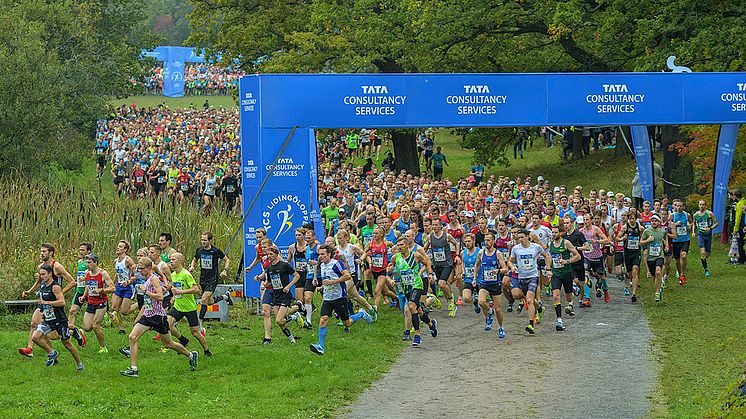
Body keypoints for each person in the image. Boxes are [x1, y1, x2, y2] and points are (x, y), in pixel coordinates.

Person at [121, 257, 197, 378]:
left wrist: (146, 292)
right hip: (148, 315)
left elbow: (160, 297)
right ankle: (134, 369)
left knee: (169, 344)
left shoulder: (154, 279)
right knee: (132, 337)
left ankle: (191, 355)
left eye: (142, 269)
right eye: (139, 268)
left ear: (149, 268)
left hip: (158, 317)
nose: (140, 271)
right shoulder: (147, 279)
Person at [309, 245, 373, 355]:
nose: (320, 256)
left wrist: (332, 282)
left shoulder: (336, 264)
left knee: (347, 323)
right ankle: (321, 346)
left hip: (339, 297)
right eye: (319, 254)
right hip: (327, 298)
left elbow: (347, 276)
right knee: (323, 319)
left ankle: (362, 314)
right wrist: (322, 287)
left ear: (329, 254)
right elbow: (327, 280)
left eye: (323, 254)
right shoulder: (322, 265)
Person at [19, 243, 76, 358]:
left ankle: (74, 331)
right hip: (44, 302)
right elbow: (39, 282)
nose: (42, 253)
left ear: (51, 253)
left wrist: (59, 294)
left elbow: (72, 282)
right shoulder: (41, 267)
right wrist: (29, 291)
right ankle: (30, 349)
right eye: (41, 251)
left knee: (53, 335)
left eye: (44, 251)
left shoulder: (57, 266)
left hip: (55, 304)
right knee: (33, 324)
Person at [31, 264, 84, 370]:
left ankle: (79, 364)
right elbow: (43, 302)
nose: (41, 277)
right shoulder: (43, 286)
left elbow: (62, 302)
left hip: (59, 320)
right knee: (35, 337)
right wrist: (42, 309)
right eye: (40, 275)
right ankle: (52, 353)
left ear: (50, 274)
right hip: (48, 320)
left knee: (67, 345)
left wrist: (47, 302)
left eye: (43, 274)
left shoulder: (55, 287)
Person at [388, 236, 437, 346]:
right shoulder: (395, 257)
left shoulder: (415, 255)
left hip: (417, 285)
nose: (400, 247)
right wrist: (390, 272)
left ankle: (417, 335)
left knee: (411, 306)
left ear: (407, 245)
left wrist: (430, 274)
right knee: (418, 310)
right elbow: (390, 267)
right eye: (398, 245)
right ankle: (431, 324)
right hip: (406, 287)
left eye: (402, 245)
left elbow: (427, 263)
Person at [167, 253, 212, 357]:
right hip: (178, 307)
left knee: (195, 332)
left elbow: (196, 289)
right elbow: (176, 289)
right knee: (167, 323)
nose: (171, 261)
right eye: (170, 260)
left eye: (173, 259)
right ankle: (183, 340)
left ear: (180, 261)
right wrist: (174, 297)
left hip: (189, 308)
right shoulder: (173, 275)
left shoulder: (186, 274)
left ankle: (206, 350)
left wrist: (180, 292)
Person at [255, 245, 301, 344]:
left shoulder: (284, 265)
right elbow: (271, 282)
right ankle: (292, 339)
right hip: (276, 295)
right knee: (280, 322)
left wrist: (289, 286)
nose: (269, 256)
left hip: (285, 295)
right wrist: (264, 284)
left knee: (279, 320)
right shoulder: (270, 268)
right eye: (268, 255)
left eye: (271, 254)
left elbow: (297, 275)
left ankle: (295, 316)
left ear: (276, 254)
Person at [508, 229, 550, 335]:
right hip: (522, 277)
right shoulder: (516, 249)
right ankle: (540, 309)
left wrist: (548, 268)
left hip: (533, 276)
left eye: (522, 237)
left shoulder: (536, 247)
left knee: (529, 300)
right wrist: (512, 267)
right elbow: (510, 260)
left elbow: (546, 256)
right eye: (519, 237)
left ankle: (531, 324)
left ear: (528, 236)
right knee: (529, 299)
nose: (520, 239)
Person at [190, 231, 232, 334]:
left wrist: (225, 270)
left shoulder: (215, 251)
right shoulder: (199, 250)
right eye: (202, 240)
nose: (203, 242)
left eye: (205, 240)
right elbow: (194, 260)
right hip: (203, 278)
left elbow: (227, 260)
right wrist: (192, 266)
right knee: (209, 301)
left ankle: (200, 325)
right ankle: (225, 297)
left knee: (203, 299)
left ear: (210, 240)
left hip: (213, 279)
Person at [474, 233, 508, 338]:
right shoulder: (481, 253)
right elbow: (476, 265)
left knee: (498, 309)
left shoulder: (498, 254)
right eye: (485, 240)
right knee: (481, 301)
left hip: (495, 284)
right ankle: (489, 311)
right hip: (484, 283)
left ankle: (501, 327)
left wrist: (497, 270)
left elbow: (505, 269)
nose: (486, 242)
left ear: (493, 241)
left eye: (489, 240)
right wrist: (475, 278)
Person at [424, 218, 460, 317]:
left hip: (447, 264)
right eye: (433, 225)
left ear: (441, 226)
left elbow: (456, 243)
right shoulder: (429, 237)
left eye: (436, 225)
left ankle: (451, 301)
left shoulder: (446, 236)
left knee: (441, 283)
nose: (435, 227)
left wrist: (456, 255)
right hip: (437, 265)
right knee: (444, 286)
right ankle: (449, 299)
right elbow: (424, 249)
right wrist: (423, 257)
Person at [548, 224, 581, 331]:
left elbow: (578, 256)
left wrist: (566, 261)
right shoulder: (550, 244)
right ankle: (559, 320)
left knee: (568, 297)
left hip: (567, 273)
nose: (553, 234)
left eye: (555, 232)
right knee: (556, 296)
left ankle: (573, 291)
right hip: (556, 274)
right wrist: (548, 269)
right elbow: (549, 257)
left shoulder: (566, 243)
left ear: (561, 233)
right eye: (552, 232)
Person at [81, 253, 115, 353]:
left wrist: (101, 290)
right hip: (91, 302)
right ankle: (111, 316)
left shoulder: (103, 274)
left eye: (89, 263)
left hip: (101, 302)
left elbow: (113, 288)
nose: (87, 265)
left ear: (95, 262)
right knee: (87, 327)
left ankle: (103, 347)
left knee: (96, 326)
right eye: (86, 263)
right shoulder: (87, 272)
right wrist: (84, 296)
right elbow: (88, 286)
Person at [67, 242, 91, 347]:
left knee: (91, 325)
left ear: (88, 251)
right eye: (80, 250)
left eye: (83, 250)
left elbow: (94, 275)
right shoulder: (79, 262)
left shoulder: (91, 262)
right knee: (72, 311)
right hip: (80, 290)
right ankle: (70, 333)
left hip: (90, 292)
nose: (81, 252)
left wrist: (85, 278)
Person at [641, 215, 669, 302]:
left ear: (659, 222)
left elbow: (665, 236)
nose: (654, 222)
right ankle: (659, 288)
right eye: (652, 221)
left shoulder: (662, 231)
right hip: (650, 258)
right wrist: (647, 241)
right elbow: (640, 242)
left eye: (656, 221)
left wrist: (666, 245)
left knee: (658, 272)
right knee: (655, 277)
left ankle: (657, 293)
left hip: (659, 256)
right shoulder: (647, 231)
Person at [111, 240, 137, 334]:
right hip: (119, 285)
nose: (118, 248)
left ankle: (139, 304)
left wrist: (129, 281)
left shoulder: (128, 260)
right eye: (118, 246)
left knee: (125, 311)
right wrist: (112, 284)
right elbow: (117, 274)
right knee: (114, 307)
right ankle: (121, 328)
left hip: (128, 287)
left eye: (120, 247)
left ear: (125, 249)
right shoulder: (115, 261)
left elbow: (135, 273)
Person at [618, 211, 643, 302]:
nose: (631, 220)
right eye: (630, 218)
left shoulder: (639, 227)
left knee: (635, 271)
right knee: (628, 273)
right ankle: (626, 285)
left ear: (636, 219)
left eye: (633, 218)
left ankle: (634, 293)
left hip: (636, 252)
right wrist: (622, 238)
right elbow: (617, 238)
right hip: (627, 252)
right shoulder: (625, 227)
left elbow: (643, 236)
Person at [693, 200, 718, 277]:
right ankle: (706, 270)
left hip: (708, 235)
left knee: (707, 254)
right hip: (700, 234)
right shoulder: (695, 215)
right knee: (703, 252)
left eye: (703, 204)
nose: (701, 206)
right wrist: (693, 232)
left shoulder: (709, 214)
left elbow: (716, 223)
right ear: (698, 205)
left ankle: (705, 259)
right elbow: (694, 223)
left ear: (705, 206)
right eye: (700, 204)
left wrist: (710, 228)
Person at [670, 199, 692, 286]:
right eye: (677, 206)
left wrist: (690, 226)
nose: (679, 207)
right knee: (677, 260)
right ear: (675, 207)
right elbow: (667, 225)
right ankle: (680, 275)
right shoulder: (672, 215)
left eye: (680, 206)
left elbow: (692, 223)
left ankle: (683, 274)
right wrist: (675, 225)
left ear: (683, 207)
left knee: (683, 255)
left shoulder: (687, 215)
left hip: (685, 239)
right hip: (676, 240)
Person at [731, 190, 746, 264]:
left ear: (735, 196)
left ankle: (741, 259)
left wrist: (735, 229)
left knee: (740, 243)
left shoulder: (739, 204)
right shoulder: (744, 201)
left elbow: (738, 218)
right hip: (744, 225)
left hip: (741, 226)